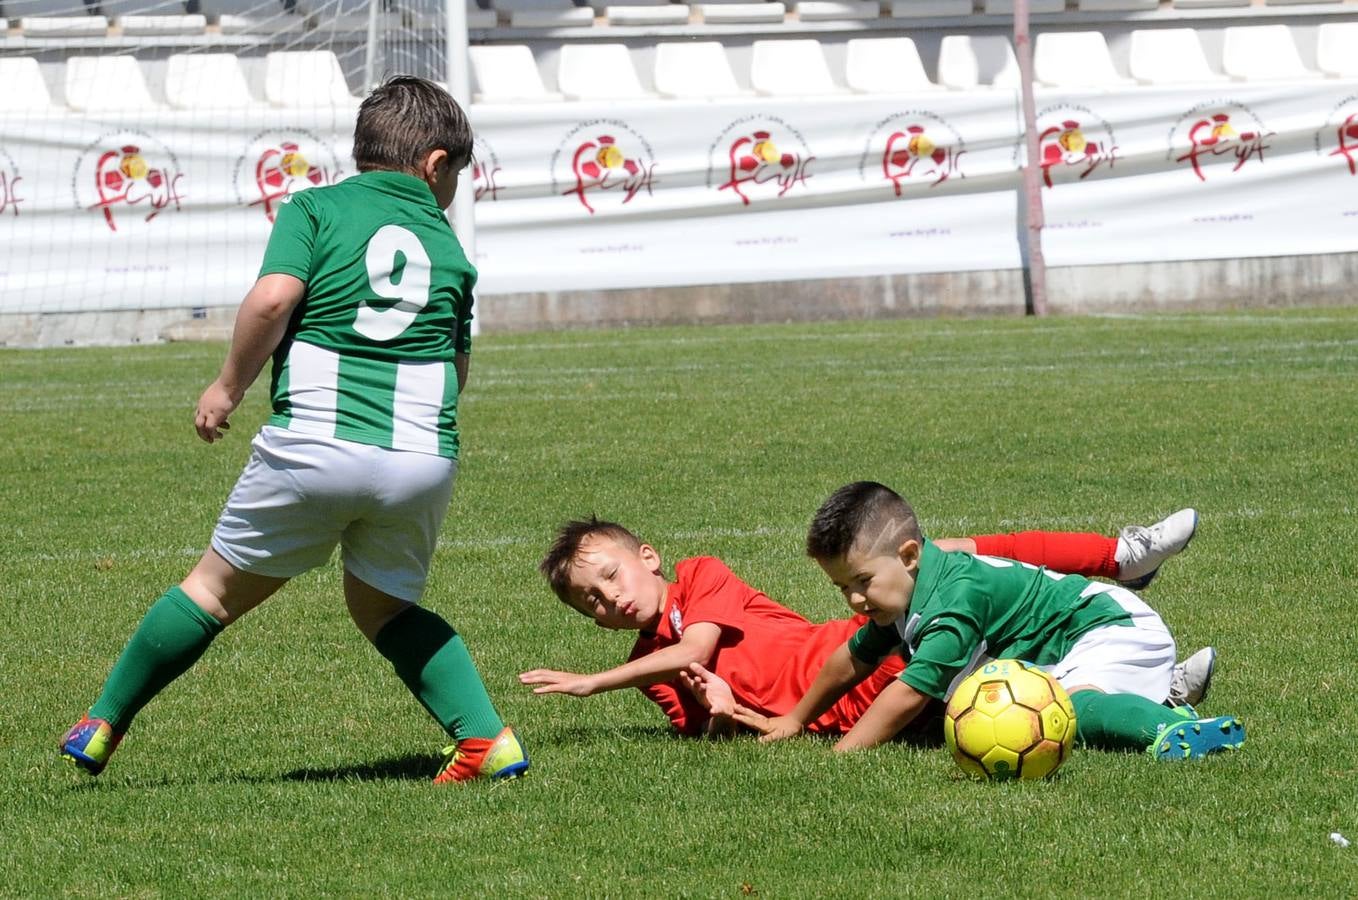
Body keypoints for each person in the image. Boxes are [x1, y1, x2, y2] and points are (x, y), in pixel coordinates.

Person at [59, 76, 528, 784]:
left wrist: (227, 386)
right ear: (435, 165)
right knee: (385, 608)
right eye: (458, 177)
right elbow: (456, 371)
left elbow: (276, 296)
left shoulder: (313, 207)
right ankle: (487, 739)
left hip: (316, 446)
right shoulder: (454, 256)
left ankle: (102, 723)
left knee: (211, 592)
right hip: (422, 459)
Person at [522, 511, 1208, 738]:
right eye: (591, 604)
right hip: (854, 706)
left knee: (953, 561)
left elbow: (696, 645)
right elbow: (722, 729)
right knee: (1020, 691)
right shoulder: (652, 669)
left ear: (649, 557)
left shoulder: (700, 576)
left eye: (610, 578)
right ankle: (1153, 694)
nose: (609, 601)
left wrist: (591, 684)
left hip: (859, 652)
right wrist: (722, 714)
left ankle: (1119, 557)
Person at [730, 482, 1243, 760]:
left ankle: (1176, 727)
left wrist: (844, 754)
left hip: (1107, 627)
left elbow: (909, 692)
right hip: (1080, 641)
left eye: (862, 580)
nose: (855, 599)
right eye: (842, 587)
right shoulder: (910, 590)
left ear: (909, 555)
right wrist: (796, 718)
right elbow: (852, 660)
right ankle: (1160, 692)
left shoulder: (952, 601)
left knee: (1071, 710)